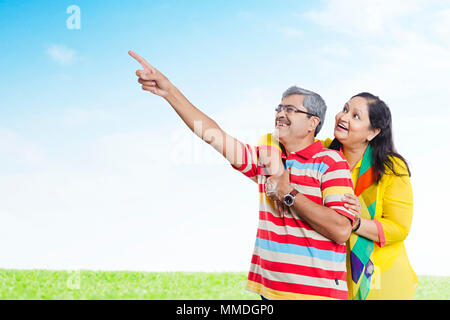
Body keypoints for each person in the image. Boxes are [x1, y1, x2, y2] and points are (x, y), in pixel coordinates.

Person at [128, 50, 357, 300]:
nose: (280, 114)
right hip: (270, 294)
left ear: (313, 123)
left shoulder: (330, 162)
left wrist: (288, 193)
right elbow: (212, 134)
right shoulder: (266, 160)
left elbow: (341, 230)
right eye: (279, 108)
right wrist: (169, 91)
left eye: (290, 109)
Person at [259, 93, 417, 299]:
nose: (343, 117)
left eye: (355, 116)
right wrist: (279, 175)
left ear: (373, 132)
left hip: (380, 279)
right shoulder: (322, 151)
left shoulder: (391, 168)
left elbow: (399, 228)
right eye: (344, 109)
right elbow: (274, 140)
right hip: (331, 277)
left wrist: (356, 223)